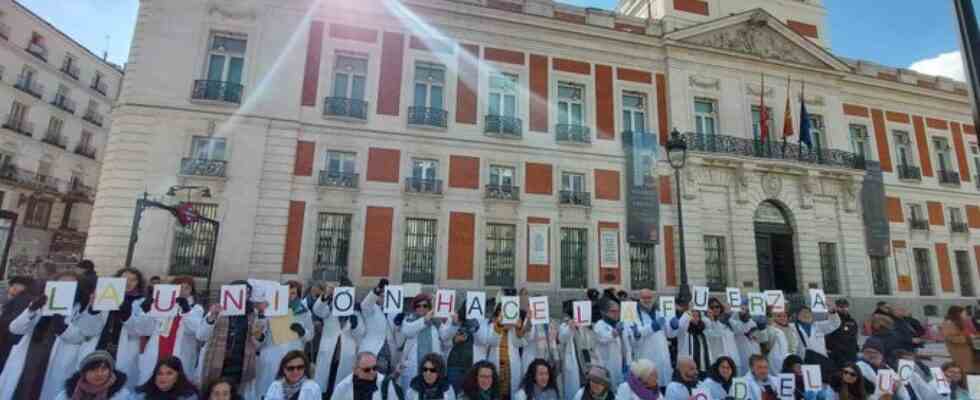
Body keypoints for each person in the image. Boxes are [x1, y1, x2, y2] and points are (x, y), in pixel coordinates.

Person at [0, 271, 93, 400]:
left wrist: (63, 327)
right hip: (30, 358)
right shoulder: (41, 304)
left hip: (55, 362)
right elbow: (15, 329)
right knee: (21, 390)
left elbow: (82, 337)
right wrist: (31, 310)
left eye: (70, 284)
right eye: (61, 283)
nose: (64, 287)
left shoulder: (81, 309)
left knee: (43, 392)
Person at [78, 267, 147, 389]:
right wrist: (93, 310)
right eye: (125, 279)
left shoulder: (141, 302)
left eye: (133, 280)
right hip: (97, 349)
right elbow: (87, 329)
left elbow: (141, 330)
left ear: (138, 283)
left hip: (123, 353)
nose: (128, 283)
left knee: (118, 390)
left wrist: (127, 316)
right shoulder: (103, 295)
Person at [196, 280, 265, 399]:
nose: (245, 295)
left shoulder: (253, 314)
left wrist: (258, 335)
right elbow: (201, 336)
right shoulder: (218, 310)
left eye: (248, 293)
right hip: (217, 364)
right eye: (242, 291)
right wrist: (212, 316)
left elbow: (257, 344)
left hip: (240, 365)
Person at [136, 276, 206, 385]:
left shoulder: (196, 308)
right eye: (179, 287)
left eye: (186, 288)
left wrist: (186, 310)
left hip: (181, 355)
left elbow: (197, 330)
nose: (182, 291)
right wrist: (146, 312)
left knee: (177, 386)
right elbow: (144, 330)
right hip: (157, 352)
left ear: (191, 291)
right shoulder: (161, 305)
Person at [256, 280, 314, 396]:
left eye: (293, 293)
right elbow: (259, 331)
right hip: (271, 355)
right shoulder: (270, 308)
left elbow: (310, 336)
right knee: (267, 391)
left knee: (288, 392)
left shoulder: (304, 312)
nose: (290, 297)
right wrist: (261, 315)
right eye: (287, 293)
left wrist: (302, 332)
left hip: (293, 358)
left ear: (298, 295)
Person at [313, 282, 366, 398]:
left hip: (345, 358)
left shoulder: (356, 313)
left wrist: (355, 325)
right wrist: (326, 294)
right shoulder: (330, 309)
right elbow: (317, 310)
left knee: (339, 390)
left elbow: (360, 335)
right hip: (328, 356)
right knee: (323, 389)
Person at [401, 293, 459, 389]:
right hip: (414, 366)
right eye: (418, 306)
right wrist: (424, 320)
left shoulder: (435, 321)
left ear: (429, 307)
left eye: (425, 306)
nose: (421, 308)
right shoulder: (409, 319)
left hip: (431, 367)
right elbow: (407, 331)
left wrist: (454, 324)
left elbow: (445, 335)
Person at [478, 297, 525, 398]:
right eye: (500, 313)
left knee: (510, 394)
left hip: (511, 367)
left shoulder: (514, 327)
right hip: (496, 365)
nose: (503, 316)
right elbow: (492, 341)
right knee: (496, 393)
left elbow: (520, 343)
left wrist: (518, 328)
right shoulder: (491, 326)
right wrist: (499, 326)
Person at [625, 289, 671, 389]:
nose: (647, 300)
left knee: (663, 389)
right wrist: (651, 328)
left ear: (653, 298)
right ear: (639, 299)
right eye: (644, 298)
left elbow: (670, 334)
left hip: (663, 358)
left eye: (649, 297)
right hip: (645, 359)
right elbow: (632, 338)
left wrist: (674, 325)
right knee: (647, 390)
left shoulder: (660, 311)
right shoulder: (631, 312)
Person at [54, 350, 132, 400]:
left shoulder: (123, 395)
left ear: (110, 371)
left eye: (104, 369)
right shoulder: (66, 396)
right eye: (93, 369)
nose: (99, 374)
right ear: (84, 373)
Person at [559, 300, 593, 400]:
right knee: (574, 392)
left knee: (586, 390)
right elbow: (562, 338)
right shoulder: (564, 325)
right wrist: (570, 327)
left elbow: (588, 343)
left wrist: (585, 328)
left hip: (584, 362)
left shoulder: (583, 325)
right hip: (574, 364)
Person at [594, 298, 632, 387]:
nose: (616, 314)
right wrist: (615, 332)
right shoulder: (599, 325)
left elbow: (629, 343)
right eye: (613, 311)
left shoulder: (622, 323)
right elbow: (603, 337)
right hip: (608, 365)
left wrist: (634, 333)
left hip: (624, 364)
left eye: (618, 311)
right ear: (604, 312)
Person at [333, 352, 401, 400]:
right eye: (367, 369)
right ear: (355, 370)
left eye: (375, 368)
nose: (372, 372)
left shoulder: (386, 384)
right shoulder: (343, 387)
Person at [0, 275, 32, 375]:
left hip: (10, 339)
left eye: (17, 285)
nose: (13, 288)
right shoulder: (16, 298)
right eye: (13, 285)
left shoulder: (23, 299)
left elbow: (11, 320)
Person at [133, 356, 201, 399]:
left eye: (169, 373)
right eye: (159, 373)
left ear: (178, 377)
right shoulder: (141, 394)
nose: (163, 377)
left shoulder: (188, 396)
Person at [704, 299, 742, 373]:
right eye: (712, 307)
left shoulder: (728, 321)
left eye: (717, 307)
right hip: (718, 362)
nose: (715, 309)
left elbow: (739, 329)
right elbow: (716, 333)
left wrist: (729, 317)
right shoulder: (706, 322)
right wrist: (712, 320)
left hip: (734, 360)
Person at [942, 306, 979, 374]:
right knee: (965, 372)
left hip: (966, 351)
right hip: (960, 353)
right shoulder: (948, 323)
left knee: (971, 371)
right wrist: (968, 337)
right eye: (963, 313)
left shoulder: (959, 322)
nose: (965, 314)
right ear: (957, 314)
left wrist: (972, 336)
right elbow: (951, 338)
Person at [825, 299, 859, 368]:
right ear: (836, 307)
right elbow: (827, 335)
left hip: (850, 353)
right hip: (836, 353)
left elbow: (855, 336)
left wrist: (855, 348)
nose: (843, 309)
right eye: (840, 307)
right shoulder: (832, 320)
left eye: (845, 307)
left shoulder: (852, 321)